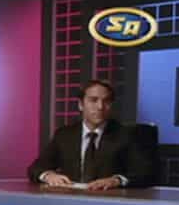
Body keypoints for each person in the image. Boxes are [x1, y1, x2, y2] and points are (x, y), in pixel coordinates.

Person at [27, 79, 155, 190]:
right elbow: (36, 168)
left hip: (110, 201)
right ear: (81, 105)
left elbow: (145, 173)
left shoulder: (126, 135)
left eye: (106, 101)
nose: (100, 107)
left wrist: (116, 180)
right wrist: (48, 176)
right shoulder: (64, 135)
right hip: (71, 201)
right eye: (93, 100)